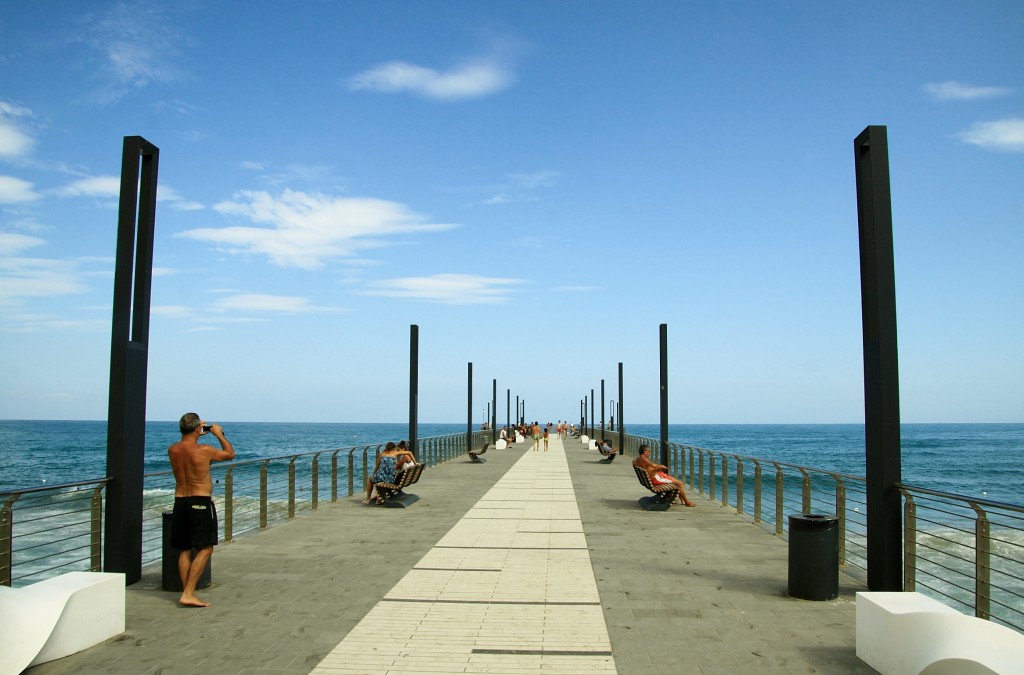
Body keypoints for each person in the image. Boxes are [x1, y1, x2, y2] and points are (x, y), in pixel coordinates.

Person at [168, 412, 236, 607]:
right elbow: (230, 454)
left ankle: (187, 592)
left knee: (185, 549)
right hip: (200, 501)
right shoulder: (204, 450)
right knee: (206, 548)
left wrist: (196, 433)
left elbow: (186, 447)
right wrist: (218, 434)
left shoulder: (172, 450)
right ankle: (189, 593)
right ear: (199, 429)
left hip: (180, 501)